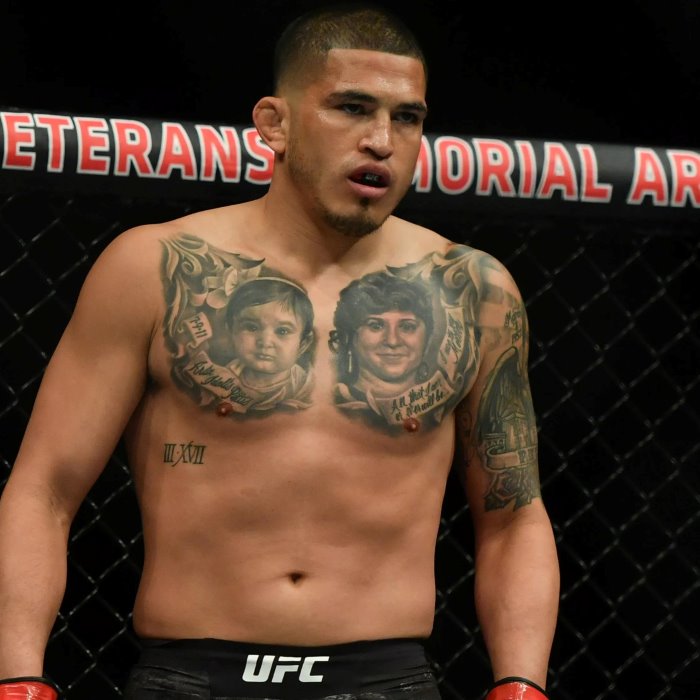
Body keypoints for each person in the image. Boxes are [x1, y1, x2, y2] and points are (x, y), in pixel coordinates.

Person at [0, 3, 560, 699]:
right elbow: (45, 489)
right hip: (195, 678)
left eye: (407, 117)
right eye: (352, 108)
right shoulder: (154, 268)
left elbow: (513, 516)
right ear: (275, 123)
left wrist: (522, 684)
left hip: (386, 679)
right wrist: (17, 677)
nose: (381, 141)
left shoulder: (472, 291)